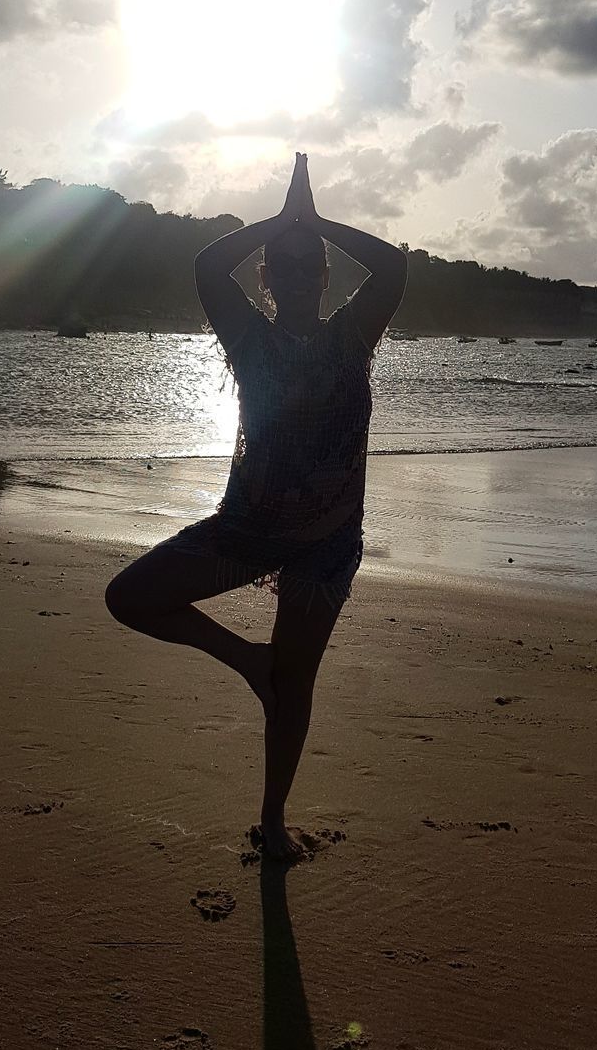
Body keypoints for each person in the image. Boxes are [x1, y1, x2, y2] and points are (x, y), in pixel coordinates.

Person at [104, 153, 407, 858]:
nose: (299, 276)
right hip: (247, 530)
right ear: (266, 278)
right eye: (285, 265)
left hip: (326, 549)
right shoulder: (249, 340)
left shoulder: (353, 337)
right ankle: (248, 664)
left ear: (327, 277)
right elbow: (210, 267)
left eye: (312, 266)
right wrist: (279, 223)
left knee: (295, 684)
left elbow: (392, 268)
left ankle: (273, 821)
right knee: (130, 596)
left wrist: (317, 222)